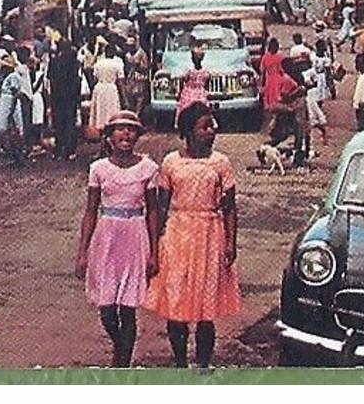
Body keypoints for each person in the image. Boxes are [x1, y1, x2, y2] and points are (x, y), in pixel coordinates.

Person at [144, 102, 242, 372]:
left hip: (210, 234)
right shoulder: (171, 162)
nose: (212, 131)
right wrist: (154, 245)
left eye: (213, 126)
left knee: (204, 309)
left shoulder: (220, 163)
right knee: (176, 302)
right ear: (188, 131)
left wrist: (231, 242)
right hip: (178, 235)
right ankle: (179, 363)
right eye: (205, 126)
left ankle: (202, 364)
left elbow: (230, 206)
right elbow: (162, 205)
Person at [75, 109, 161, 368]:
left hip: (134, 237)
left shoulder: (148, 168)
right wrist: (82, 252)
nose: (126, 133)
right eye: (120, 129)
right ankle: (120, 345)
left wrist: (155, 252)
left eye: (131, 129)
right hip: (107, 238)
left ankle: (121, 365)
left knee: (128, 307)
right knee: (107, 307)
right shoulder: (98, 169)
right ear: (110, 137)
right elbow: (90, 211)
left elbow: (153, 211)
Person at [47, 38, 84, 161]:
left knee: (58, 123)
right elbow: (77, 80)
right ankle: (69, 150)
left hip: (57, 97)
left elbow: (50, 80)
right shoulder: (75, 62)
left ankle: (58, 150)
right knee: (70, 123)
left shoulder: (53, 62)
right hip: (70, 96)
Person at [88, 41, 125, 137]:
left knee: (100, 111)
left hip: (99, 88)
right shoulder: (117, 64)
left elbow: (94, 78)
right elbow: (120, 81)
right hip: (111, 89)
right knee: (111, 111)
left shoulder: (98, 63)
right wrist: (124, 96)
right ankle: (110, 131)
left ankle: (101, 131)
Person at [174, 46, 211, 128]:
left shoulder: (189, 70)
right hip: (200, 92)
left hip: (189, 90)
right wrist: (204, 90)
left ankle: (178, 123)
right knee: (205, 105)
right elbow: (207, 82)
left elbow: (183, 80)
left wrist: (180, 91)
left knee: (183, 105)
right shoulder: (205, 71)